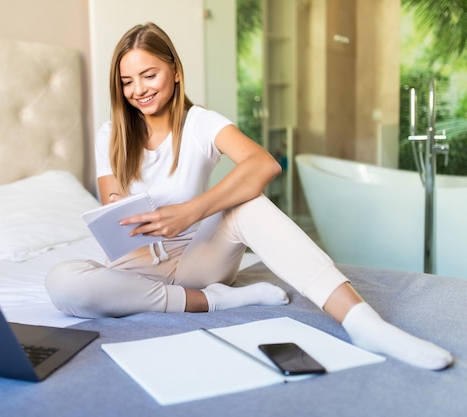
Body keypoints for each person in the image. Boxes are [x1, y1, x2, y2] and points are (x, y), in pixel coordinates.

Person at [45, 22, 452, 371]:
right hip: (136, 270)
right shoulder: (109, 134)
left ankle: (363, 322)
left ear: (174, 71)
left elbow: (263, 165)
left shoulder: (201, 123)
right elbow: (112, 206)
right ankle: (214, 302)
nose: (138, 90)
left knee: (250, 204)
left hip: (196, 258)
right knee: (62, 282)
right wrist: (119, 208)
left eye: (148, 75)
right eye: (127, 81)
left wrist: (189, 213)